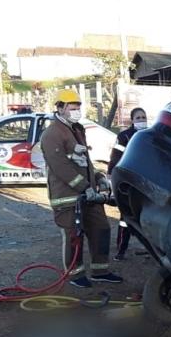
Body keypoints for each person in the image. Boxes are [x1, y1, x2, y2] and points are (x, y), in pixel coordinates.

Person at [40, 89, 123, 288]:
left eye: (78, 106)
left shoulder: (77, 129)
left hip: (88, 194)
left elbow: (84, 161)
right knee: (73, 236)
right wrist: (85, 186)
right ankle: (75, 275)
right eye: (72, 107)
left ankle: (100, 271)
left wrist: (98, 178)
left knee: (101, 229)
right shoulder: (52, 133)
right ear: (59, 107)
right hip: (67, 197)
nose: (76, 110)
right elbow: (60, 166)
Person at [108, 107, 147, 261]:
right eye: (138, 118)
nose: (141, 120)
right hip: (129, 183)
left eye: (143, 117)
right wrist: (111, 174)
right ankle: (121, 249)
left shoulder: (149, 135)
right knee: (126, 218)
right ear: (132, 120)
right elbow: (115, 157)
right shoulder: (124, 136)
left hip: (146, 183)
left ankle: (149, 248)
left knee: (146, 216)